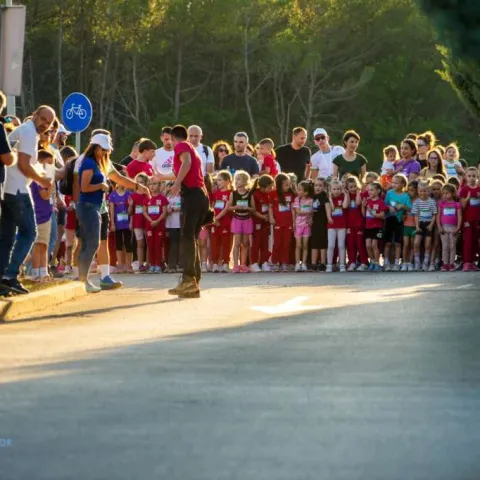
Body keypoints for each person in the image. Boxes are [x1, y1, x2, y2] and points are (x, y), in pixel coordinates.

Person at [76, 133, 150, 292]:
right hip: (88, 206)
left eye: (107, 150)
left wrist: (138, 187)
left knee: (103, 243)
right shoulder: (88, 163)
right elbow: (84, 187)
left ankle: (105, 278)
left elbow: (119, 178)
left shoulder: (104, 162)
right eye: (104, 150)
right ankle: (83, 280)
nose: (106, 153)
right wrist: (101, 186)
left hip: (100, 207)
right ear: (95, 148)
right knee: (92, 243)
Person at [0, 105, 55, 295]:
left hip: (7, 189)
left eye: (49, 123)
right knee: (29, 232)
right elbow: (23, 165)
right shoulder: (29, 132)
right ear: (34, 116)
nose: (45, 125)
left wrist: (41, 176)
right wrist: (42, 181)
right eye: (43, 119)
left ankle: (3, 279)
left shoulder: (24, 131)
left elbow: (27, 163)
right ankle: (10, 275)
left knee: (7, 235)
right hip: (17, 189)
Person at [168, 125, 209, 298]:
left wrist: (177, 184)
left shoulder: (181, 145)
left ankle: (188, 280)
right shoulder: (192, 148)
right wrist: (162, 177)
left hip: (192, 195)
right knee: (190, 237)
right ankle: (193, 281)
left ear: (172, 138)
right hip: (200, 195)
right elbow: (186, 169)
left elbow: (187, 163)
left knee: (186, 236)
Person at [30, 150, 56, 281]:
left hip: (46, 213)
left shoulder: (43, 178)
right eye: (49, 163)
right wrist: (50, 185)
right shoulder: (39, 178)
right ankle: (35, 272)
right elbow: (44, 195)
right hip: (40, 215)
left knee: (44, 244)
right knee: (39, 243)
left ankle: (43, 271)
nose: (51, 166)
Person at [225, 171, 255, 273]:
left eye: (239, 179)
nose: (236, 181)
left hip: (247, 219)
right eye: (236, 179)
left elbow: (253, 209)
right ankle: (236, 265)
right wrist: (236, 207)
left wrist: (248, 208)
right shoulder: (233, 194)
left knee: (245, 243)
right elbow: (228, 207)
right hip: (237, 219)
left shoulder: (249, 194)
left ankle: (243, 264)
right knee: (236, 243)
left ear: (245, 181)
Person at [383, 174, 411, 271]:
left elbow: (410, 208)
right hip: (390, 219)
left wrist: (403, 207)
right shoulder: (389, 193)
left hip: (399, 221)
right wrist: (389, 207)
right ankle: (386, 262)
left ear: (403, 184)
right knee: (388, 242)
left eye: (396, 183)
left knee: (398, 243)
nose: (394, 184)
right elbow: (384, 205)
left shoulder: (406, 195)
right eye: (393, 182)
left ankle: (396, 263)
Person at [269, 173, 295, 272]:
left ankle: (285, 262)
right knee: (277, 243)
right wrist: (271, 217)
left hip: (288, 223)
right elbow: (270, 207)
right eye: (286, 185)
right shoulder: (273, 193)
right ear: (279, 185)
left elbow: (293, 209)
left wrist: (293, 222)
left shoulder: (291, 194)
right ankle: (275, 262)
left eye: (289, 184)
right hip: (277, 223)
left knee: (287, 243)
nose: (288, 187)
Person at [109, 172, 133, 273]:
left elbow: (132, 211)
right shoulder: (112, 195)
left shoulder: (129, 195)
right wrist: (113, 224)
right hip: (117, 224)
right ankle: (120, 265)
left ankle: (128, 265)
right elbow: (111, 210)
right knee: (118, 244)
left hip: (127, 224)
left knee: (128, 244)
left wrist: (131, 222)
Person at [250, 174, 274, 273]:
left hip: (266, 222)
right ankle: (254, 263)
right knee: (256, 243)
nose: (271, 189)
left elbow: (270, 207)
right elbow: (253, 210)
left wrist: (268, 217)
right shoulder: (255, 194)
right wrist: (262, 216)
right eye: (269, 187)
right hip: (257, 222)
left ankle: (264, 262)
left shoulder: (270, 194)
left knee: (265, 243)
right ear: (263, 186)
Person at [411, 180, 437, 271]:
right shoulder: (416, 202)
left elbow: (434, 214)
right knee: (416, 243)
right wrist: (417, 226)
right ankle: (417, 263)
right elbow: (416, 215)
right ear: (418, 191)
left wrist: (431, 225)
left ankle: (426, 263)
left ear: (428, 191)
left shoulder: (432, 202)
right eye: (421, 191)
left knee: (428, 244)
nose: (423, 193)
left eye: (425, 191)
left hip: (429, 224)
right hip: (420, 224)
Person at [211, 170, 234, 273]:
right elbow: (212, 207)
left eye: (220, 180)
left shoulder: (230, 193)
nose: (218, 182)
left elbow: (226, 208)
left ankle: (225, 263)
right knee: (215, 243)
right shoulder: (215, 193)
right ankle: (215, 263)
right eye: (217, 180)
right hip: (215, 223)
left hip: (225, 222)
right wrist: (213, 219)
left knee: (226, 243)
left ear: (227, 181)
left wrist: (217, 218)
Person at [143, 178, 168, 273]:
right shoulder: (147, 199)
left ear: (159, 185)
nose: (152, 186)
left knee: (158, 245)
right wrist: (151, 221)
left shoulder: (162, 198)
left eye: (154, 184)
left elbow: (164, 212)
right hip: (149, 226)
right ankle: (152, 264)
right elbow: (144, 212)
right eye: (150, 184)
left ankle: (158, 264)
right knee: (150, 245)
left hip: (159, 225)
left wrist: (157, 221)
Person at [345, 176, 369, 272]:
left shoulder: (361, 195)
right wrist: (347, 194)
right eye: (350, 187)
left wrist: (358, 192)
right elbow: (346, 205)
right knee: (351, 245)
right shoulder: (346, 196)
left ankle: (364, 262)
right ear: (347, 188)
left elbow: (358, 203)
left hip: (359, 224)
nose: (353, 189)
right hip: (350, 225)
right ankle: (352, 262)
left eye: (355, 186)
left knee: (360, 244)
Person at [362, 181, 387, 272]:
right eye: (369, 190)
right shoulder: (367, 201)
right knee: (368, 245)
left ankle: (377, 263)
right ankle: (372, 261)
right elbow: (364, 215)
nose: (369, 192)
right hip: (368, 226)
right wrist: (363, 206)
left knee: (374, 245)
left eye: (372, 190)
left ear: (378, 191)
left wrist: (372, 212)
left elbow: (382, 215)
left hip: (377, 226)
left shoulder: (380, 202)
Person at [459, 167, 480, 271]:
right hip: (468, 220)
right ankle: (466, 262)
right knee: (468, 241)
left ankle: (472, 261)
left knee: (475, 241)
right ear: (466, 177)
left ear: (477, 177)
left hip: (477, 220)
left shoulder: (479, 189)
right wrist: (467, 199)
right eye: (469, 176)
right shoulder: (464, 189)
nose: (472, 178)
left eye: (474, 176)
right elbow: (462, 206)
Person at [437, 183, 462, 272]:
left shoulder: (457, 204)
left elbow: (459, 217)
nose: (445, 195)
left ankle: (451, 264)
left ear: (453, 193)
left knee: (452, 246)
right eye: (443, 193)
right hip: (444, 228)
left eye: (447, 193)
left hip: (453, 228)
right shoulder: (441, 204)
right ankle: (445, 264)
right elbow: (438, 216)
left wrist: (458, 228)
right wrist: (439, 227)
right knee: (445, 246)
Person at [128, 173, 149, 273]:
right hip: (137, 222)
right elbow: (130, 213)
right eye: (138, 182)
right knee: (140, 243)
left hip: (147, 221)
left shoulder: (147, 195)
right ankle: (141, 264)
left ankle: (149, 263)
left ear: (146, 183)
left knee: (149, 242)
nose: (140, 184)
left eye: (142, 182)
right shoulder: (132, 196)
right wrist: (131, 206)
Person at [326, 179, 348, 273]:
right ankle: (329, 265)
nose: (336, 191)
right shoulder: (328, 199)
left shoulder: (343, 196)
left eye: (339, 189)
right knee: (331, 245)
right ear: (330, 189)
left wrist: (346, 195)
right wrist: (330, 198)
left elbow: (345, 206)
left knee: (341, 245)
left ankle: (342, 265)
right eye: (334, 189)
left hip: (342, 225)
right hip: (332, 225)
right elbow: (331, 208)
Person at [293, 180, 314, 271]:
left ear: (306, 192)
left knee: (305, 245)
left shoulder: (311, 200)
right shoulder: (297, 199)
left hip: (307, 226)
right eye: (298, 189)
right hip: (298, 225)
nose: (298, 191)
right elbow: (298, 211)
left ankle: (304, 263)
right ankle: (297, 263)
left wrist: (311, 218)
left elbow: (313, 213)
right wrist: (309, 212)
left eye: (300, 189)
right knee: (298, 245)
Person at [311, 177, 329, 271]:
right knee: (314, 243)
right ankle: (313, 263)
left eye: (320, 185)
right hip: (314, 222)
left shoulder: (324, 196)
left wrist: (329, 218)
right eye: (316, 185)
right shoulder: (312, 196)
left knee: (322, 243)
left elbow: (327, 208)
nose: (318, 187)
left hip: (322, 222)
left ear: (324, 187)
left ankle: (323, 263)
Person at [401, 180, 418, 271]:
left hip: (415, 226)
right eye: (408, 190)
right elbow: (403, 212)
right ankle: (404, 262)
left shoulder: (419, 200)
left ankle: (410, 262)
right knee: (406, 244)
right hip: (406, 225)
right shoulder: (406, 199)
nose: (409, 192)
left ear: (417, 191)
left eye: (412, 190)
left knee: (412, 245)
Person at [165, 181, 182, 273]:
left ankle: (180, 264)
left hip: (179, 224)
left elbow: (185, 206)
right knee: (172, 245)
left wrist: (178, 208)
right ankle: (171, 265)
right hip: (170, 224)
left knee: (180, 244)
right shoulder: (167, 198)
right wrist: (167, 210)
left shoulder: (181, 198)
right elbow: (164, 209)